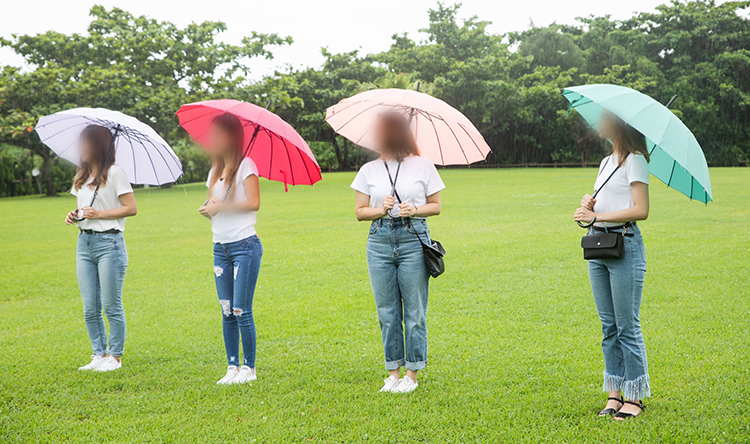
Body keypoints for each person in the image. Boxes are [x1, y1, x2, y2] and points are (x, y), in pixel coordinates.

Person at [351, 112, 445, 393]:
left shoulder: (423, 165)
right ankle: (393, 373)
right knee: (387, 312)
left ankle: (412, 375)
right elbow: (359, 212)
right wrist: (381, 209)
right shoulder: (369, 169)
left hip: (413, 238)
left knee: (415, 311)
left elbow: (436, 205)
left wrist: (413, 209)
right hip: (379, 239)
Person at [574, 111, 651, 420]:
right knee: (608, 327)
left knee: (627, 326)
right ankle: (614, 392)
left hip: (624, 244)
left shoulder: (636, 159)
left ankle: (635, 396)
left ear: (618, 124)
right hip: (598, 245)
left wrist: (599, 217)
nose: (598, 124)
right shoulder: (607, 163)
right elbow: (608, 202)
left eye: (603, 119)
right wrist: (590, 205)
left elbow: (640, 210)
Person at [65, 125, 137, 372]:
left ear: (97, 145)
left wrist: (100, 213)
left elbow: (131, 208)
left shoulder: (115, 172)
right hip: (84, 243)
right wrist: (74, 215)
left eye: (84, 143)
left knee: (111, 305)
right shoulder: (81, 176)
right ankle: (99, 354)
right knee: (90, 306)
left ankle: (115, 357)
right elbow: (82, 208)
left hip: (110, 244)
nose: (80, 148)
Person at [198, 113, 262, 385]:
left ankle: (249, 369)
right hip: (219, 247)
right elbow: (213, 203)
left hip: (244, 245)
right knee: (225, 309)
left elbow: (254, 203)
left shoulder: (247, 165)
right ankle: (232, 366)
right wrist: (208, 208)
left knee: (240, 309)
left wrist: (221, 206)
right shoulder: (214, 172)